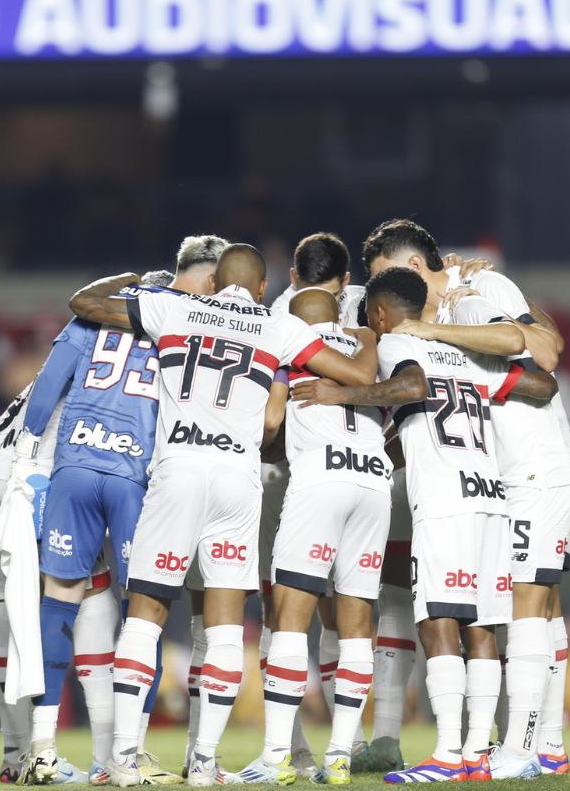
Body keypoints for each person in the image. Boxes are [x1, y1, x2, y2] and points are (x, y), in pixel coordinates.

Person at [69, 244, 379, 787]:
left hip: (180, 469)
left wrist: (134, 279)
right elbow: (354, 372)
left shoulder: (173, 307)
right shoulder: (277, 325)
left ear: (213, 284)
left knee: (146, 613)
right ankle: (206, 762)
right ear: (262, 289)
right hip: (239, 478)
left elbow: (85, 303)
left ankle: (122, 756)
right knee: (227, 624)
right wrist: (360, 351)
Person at [293, 267, 558, 783]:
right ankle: (476, 754)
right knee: (480, 627)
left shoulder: (393, 343)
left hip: (444, 501)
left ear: (378, 313)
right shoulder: (465, 353)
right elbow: (542, 385)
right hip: (490, 498)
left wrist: (340, 396)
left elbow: (412, 386)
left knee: (437, 623)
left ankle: (445, 754)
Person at [362, 219, 570, 775]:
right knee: (537, 610)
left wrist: (435, 331)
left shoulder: (474, 293)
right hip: (503, 477)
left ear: (410, 269)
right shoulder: (457, 305)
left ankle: (521, 749)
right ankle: (547, 745)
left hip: (532, 467)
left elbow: (541, 353)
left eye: (382, 279)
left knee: (526, 605)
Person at [17, 241, 222, 786]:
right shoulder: (181, 327)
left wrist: (27, 458)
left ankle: (41, 746)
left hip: (77, 466)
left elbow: (42, 398)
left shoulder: (90, 321)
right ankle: (128, 755)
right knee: (144, 612)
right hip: (138, 481)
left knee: (58, 602)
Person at [235, 288, 392, 786]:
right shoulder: (370, 348)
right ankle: (342, 754)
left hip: (319, 479)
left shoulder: (289, 344)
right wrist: (366, 334)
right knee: (356, 622)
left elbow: (273, 421)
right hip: (373, 482)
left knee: (289, 617)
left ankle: (278, 756)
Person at [0, 384, 110, 785]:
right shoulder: (121, 353)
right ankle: (108, 757)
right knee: (91, 595)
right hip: (30, 479)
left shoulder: (62, 356)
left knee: (9, 618)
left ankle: (14, 756)